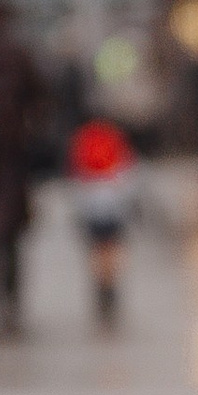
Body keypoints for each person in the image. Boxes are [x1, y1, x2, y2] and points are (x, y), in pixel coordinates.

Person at [0, 0, 47, 331]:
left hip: (8, 153)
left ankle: (6, 302)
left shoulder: (16, 52)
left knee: (6, 232)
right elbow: (41, 97)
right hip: (9, 152)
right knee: (8, 233)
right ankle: (9, 302)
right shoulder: (17, 51)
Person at [67, 112, 135, 328]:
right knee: (111, 247)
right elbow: (127, 170)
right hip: (113, 201)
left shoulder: (82, 140)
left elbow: (75, 174)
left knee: (97, 248)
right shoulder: (114, 138)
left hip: (91, 203)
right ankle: (109, 284)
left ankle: (102, 285)